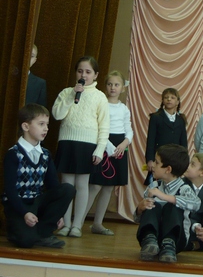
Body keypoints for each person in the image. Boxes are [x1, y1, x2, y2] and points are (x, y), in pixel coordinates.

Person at [2, 104, 75, 248]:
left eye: (47, 125)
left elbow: (53, 186)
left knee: (67, 189)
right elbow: (10, 190)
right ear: (26, 126)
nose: (46, 129)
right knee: (26, 241)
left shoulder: (46, 154)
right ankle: (18, 232)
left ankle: (44, 233)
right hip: (19, 204)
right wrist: (25, 213)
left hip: (36, 202)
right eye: (41, 124)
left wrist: (58, 214)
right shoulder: (13, 154)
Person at [52, 56, 109, 238]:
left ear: (95, 75)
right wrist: (71, 95)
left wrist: (100, 149)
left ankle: (77, 225)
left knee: (82, 185)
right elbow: (57, 115)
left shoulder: (100, 97)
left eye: (88, 72)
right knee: (67, 184)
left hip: (87, 145)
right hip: (67, 142)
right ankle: (66, 224)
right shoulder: (66, 92)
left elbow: (104, 126)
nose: (83, 75)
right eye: (80, 71)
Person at [85, 71, 133, 236]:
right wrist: (109, 146)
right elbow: (98, 127)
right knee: (95, 185)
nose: (113, 87)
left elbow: (129, 129)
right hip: (104, 144)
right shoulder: (101, 103)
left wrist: (125, 143)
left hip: (120, 146)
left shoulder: (124, 108)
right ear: (105, 86)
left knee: (108, 187)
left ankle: (98, 223)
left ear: (122, 88)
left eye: (116, 85)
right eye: (110, 84)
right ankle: (78, 221)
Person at [134, 144, 200, 263]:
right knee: (153, 205)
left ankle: (169, 243)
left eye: (157, 162)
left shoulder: (184, 188)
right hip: (153, 238)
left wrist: (165, 197)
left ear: (168, 169)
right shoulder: (154, 186)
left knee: (172, 206)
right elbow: (137, 219)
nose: (153, 165)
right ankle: (149, 240)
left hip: (177, 240)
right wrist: (140, 208)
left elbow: (196, 204)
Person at [145, 87, 188, 185]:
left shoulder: (181, 120)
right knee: (155, 185)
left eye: (172, 97)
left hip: (175, 159)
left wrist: (184, 160)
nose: (169, 99)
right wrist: (150, 160)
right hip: (159, 158)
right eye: (166, 97)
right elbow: (150, 140)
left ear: (177, 102)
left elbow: (183, 142)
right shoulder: (156, 117)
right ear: (162, 101)